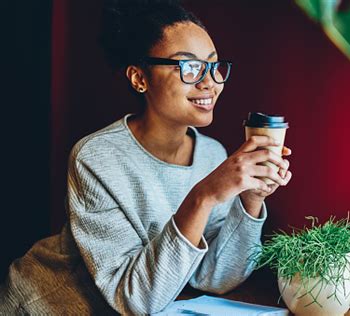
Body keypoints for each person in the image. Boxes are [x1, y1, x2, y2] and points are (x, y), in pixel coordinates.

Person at [0, 0, 292, 314]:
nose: (210, 82)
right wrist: (204, 195)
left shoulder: (211, 155)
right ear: (139, 78)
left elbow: (215, 277)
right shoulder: (96, 158)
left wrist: (250, 200)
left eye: (213, 65)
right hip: (43, 305)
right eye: (190, 67)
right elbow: (134, 300)